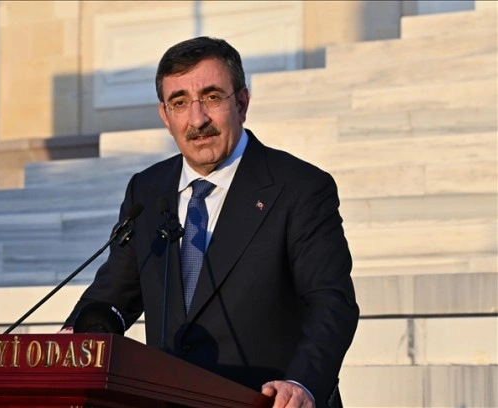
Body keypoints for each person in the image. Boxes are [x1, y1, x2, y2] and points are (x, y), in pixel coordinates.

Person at [63, 36, 359, 408]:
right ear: (165, 116)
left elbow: (331, 303)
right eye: (179, 102)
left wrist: (302, 383)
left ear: (242, 103)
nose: (197, 119)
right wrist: (75, 339)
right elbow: (114, 296)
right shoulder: (147, 191)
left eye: (212, 97)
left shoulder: (299, 187)